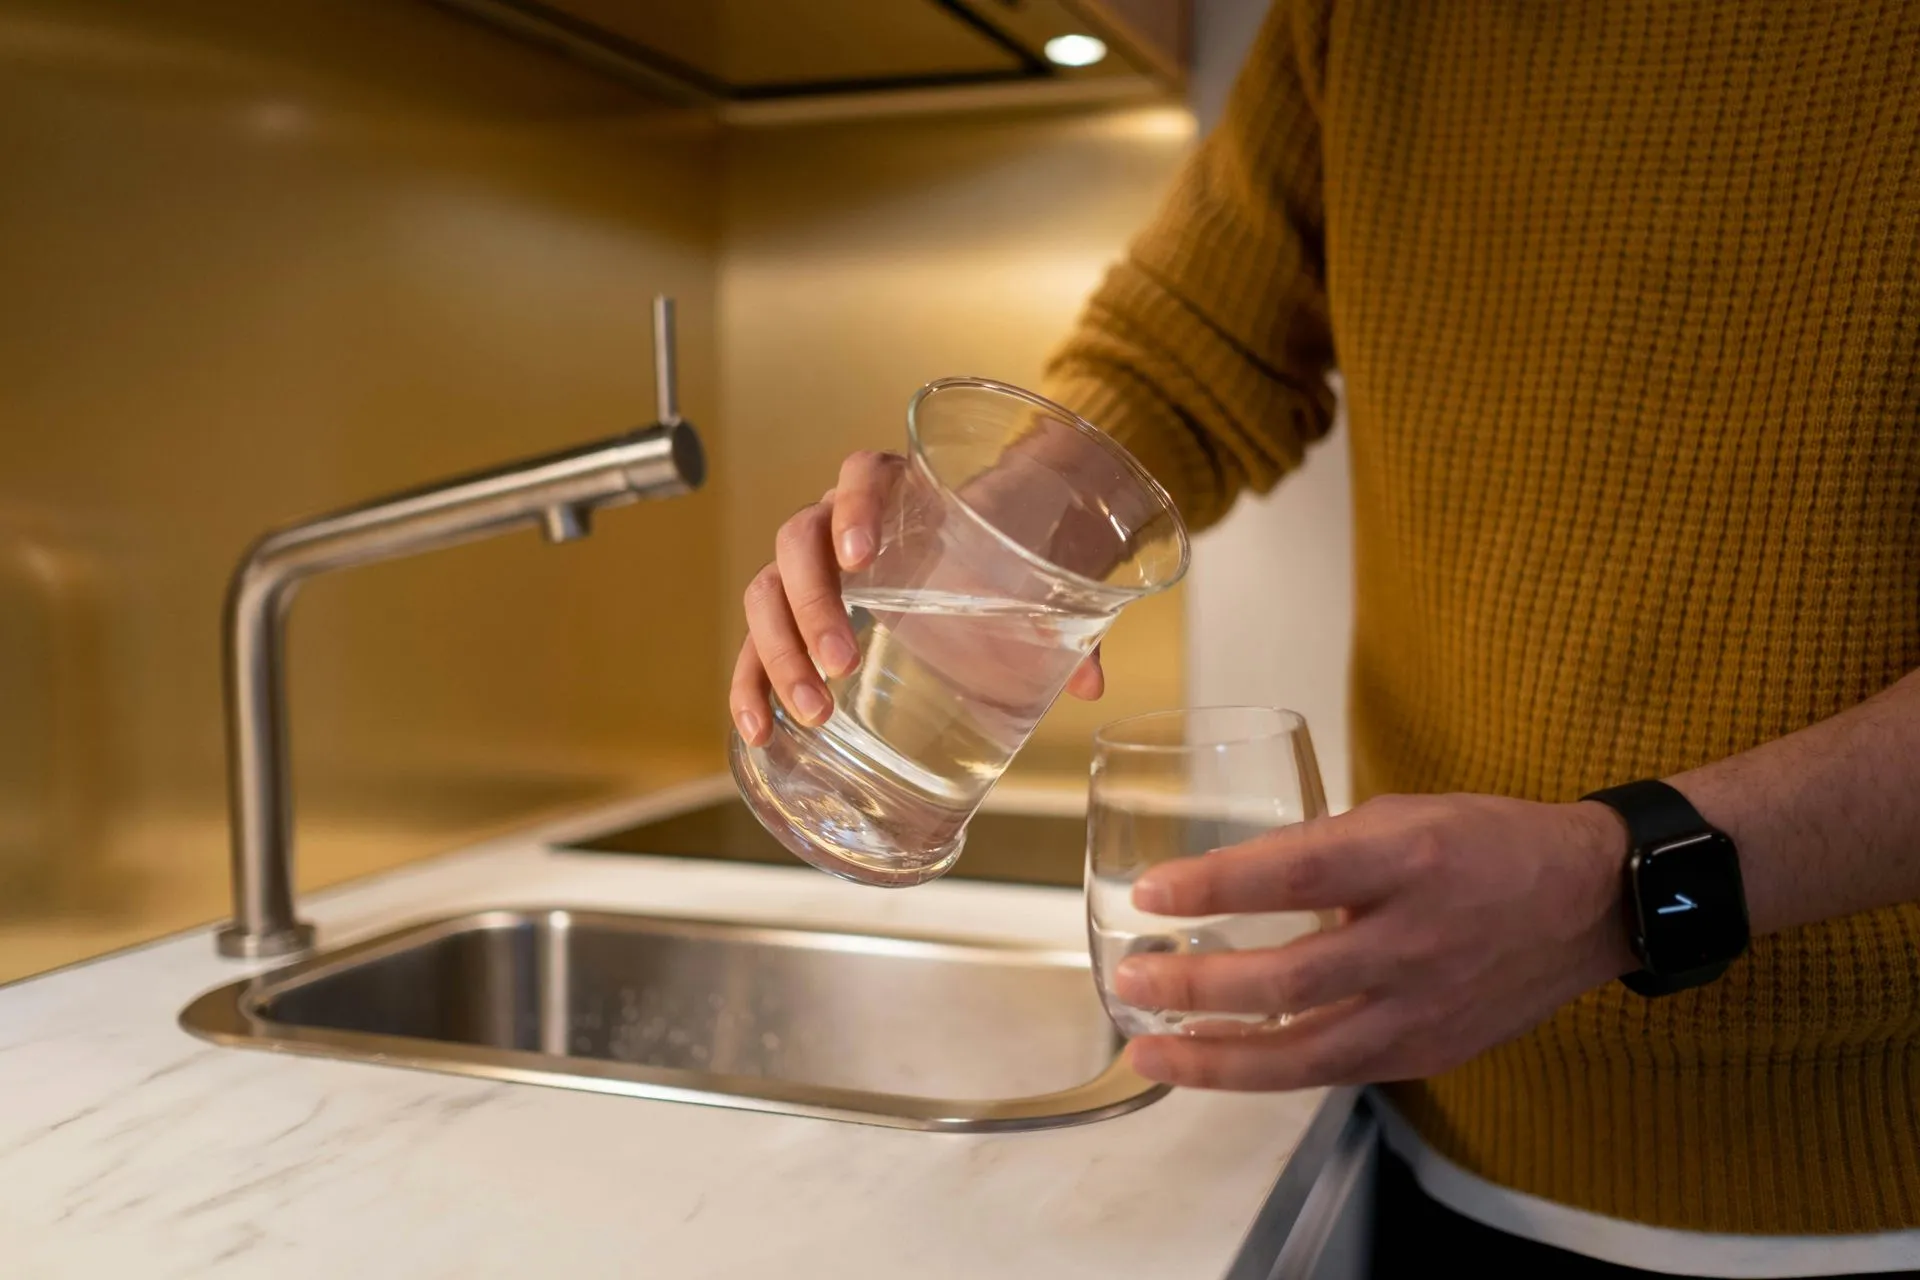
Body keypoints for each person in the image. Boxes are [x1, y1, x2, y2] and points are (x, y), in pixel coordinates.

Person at [731, 3, 1920, 1275]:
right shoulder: (1369, 19)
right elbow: (1188, 358)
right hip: (1436, 1118)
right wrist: (994, 543)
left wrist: (1616, 887)